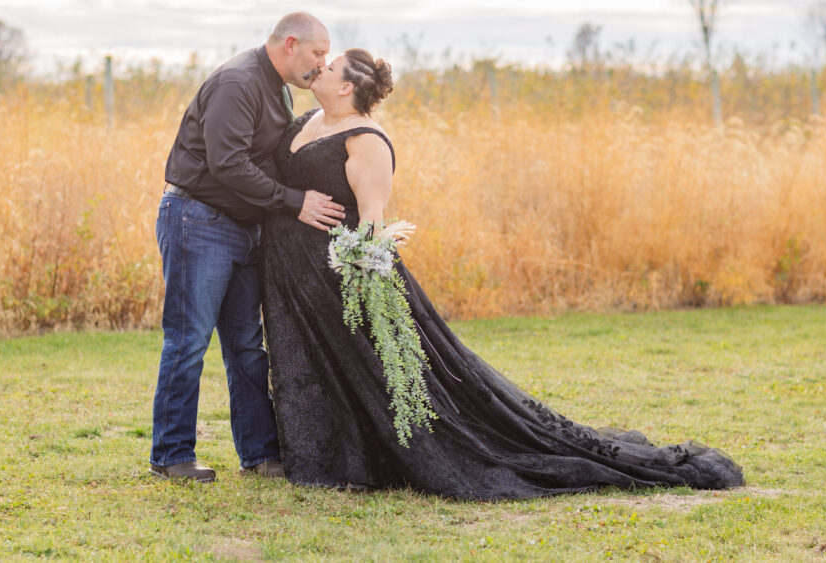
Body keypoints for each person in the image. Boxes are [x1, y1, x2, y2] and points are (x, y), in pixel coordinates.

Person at [260, 48, 744, 500]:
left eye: (330, 66)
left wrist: (358, 273)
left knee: (381, 372)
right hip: (292, 277)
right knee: (306, 363)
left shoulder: (366, 141)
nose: (319, 68)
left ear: (346, 87)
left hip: (343, 278)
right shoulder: (307, 120)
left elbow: (371, 223)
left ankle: (380, 458)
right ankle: (323, 456)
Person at [150, 12, 346, 483]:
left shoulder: (276, 86)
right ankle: (171, 455)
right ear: (291, 43)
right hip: (198, 220)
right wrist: (293, 202)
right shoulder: (238, 82)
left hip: (243, 228)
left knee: (246, 345)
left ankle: (259, 455)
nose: (322, 65)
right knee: (189, 341)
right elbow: (227, 164)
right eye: (318, 54)